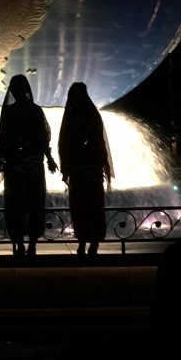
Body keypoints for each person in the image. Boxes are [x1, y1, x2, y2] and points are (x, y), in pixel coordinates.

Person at [0, 74, 57, 257]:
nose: (18, 91)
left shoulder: (35, 111)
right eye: (15, 88)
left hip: (32, 164)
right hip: (16, 165)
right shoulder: (9, 112)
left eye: (20, 87)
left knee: (34, 204)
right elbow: (3, 139)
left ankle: (31, 244)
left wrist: (49, 158)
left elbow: (42, 137)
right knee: (16, 205)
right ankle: (20, 243)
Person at [57, 81, 112, 256]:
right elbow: (63, 143)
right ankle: (82, 241)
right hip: (79, 170)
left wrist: (103, 164)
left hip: (90, 169)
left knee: (92, 205)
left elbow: (100, 142)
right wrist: (66, 166)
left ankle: (93, 242)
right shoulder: (72, 116)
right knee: (80, 206)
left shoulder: (89, 115)